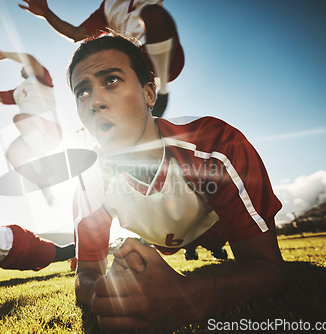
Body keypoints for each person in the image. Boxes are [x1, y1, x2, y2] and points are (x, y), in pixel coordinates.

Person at [67, 35, 286, 332]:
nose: (94, 101)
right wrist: (108, 295)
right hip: (163, 243)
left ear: (149, 94)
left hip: (217, 227)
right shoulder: (89, 181)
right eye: (82, 92)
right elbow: (88, 272)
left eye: (112, 80)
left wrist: (190, 298)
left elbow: (269, 269)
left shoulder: (214, 143)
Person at [19, 0, 184, 117]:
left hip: (163, 54)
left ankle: (161, 92)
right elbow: (77, 34)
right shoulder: (108, 7)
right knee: (96, 51)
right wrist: (46, 13)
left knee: (153, 14)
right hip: (131, 60)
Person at [0, 48, 62, 203]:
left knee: (20, 118)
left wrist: (4, 55)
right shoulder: (17, 92)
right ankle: (41, 182)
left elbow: (30, 59)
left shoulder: (42, 79)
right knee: (12, 154)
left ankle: (45, 163)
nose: (23, 65)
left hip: (50, 130)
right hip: (31, 134)